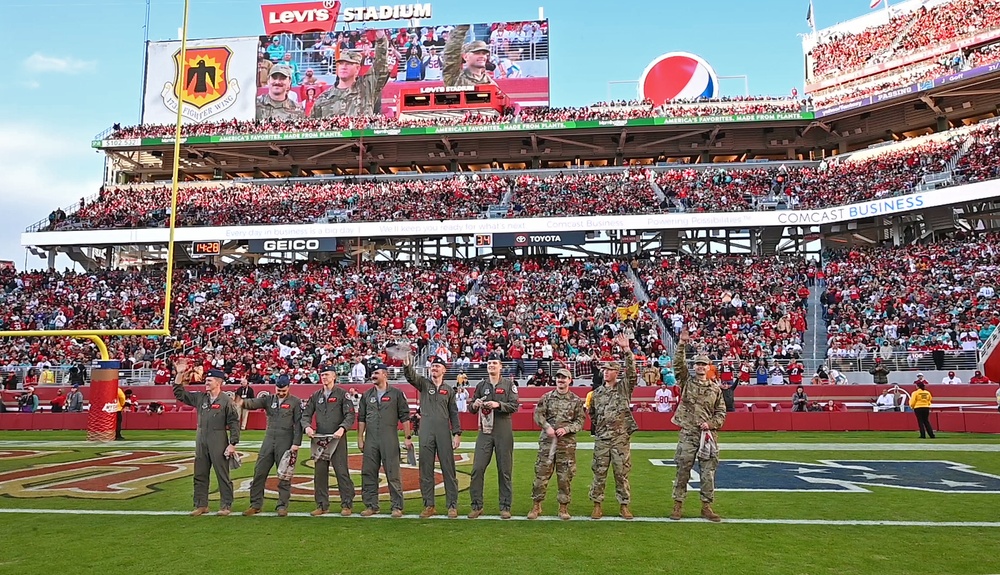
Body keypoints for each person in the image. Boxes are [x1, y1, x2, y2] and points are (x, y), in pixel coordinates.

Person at [670, 329, 727, 522]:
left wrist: (710, 424)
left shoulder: (715, 389)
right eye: (698, 364)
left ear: (709, 367)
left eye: (704, 364)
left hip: (707, 436)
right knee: (682, 470)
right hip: (688, 433)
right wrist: (681, 344)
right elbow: (678, 365)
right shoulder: (687, 381)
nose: (700, 367)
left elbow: (721, 413)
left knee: (708, 472)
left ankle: (706, 506)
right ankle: (678, 505)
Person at [172, 359, 240, 516]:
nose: (206, 383)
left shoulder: (226, 401)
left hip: (219, 439)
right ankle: (201, 504)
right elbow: (179, 393)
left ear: (218, 382)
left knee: (222, 475)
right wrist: (180, 374)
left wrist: (232, 444)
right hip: (201, 438)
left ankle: (226, 505)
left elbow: (234, 423)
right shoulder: (200, 398)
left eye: (209, 381)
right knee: (200, 474)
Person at [588, 333, 640, 520]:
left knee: (621, 472)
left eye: (610, 370)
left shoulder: (623, 388)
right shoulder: (597, 393)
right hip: (603, 438)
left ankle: (624, 505)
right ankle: (597, 504)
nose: (606, 372)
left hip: (620, 439)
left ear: (616, 373)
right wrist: (602, 429)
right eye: (604, 370)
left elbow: (632, 373)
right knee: (599, 472)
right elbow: (592, 414)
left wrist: (627, 350)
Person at [403, 354, 462, 518]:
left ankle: (452, 505)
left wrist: (456, 433)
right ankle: (429, 505)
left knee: (448, 470)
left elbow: (454, 413)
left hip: (443, 431)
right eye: (432, 366)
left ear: (443, 370)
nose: (434, 368)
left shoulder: (448, 390)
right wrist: (407, 365)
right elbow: (411, 377)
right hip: (426, 431)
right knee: (426, 470)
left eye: (437, 366)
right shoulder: (424, 384)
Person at [236, 376, 303, 517]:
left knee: (284, 475)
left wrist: (296, 443)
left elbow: (299, 424)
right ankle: (255, 504)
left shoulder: (295, 402)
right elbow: (254, 403)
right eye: (279, 390)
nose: (281, 392)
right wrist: (243, 403)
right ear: (275, 388)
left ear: (289, 388)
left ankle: (282, 506)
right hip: (269, 439)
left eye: (283, 390)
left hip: (286, 440)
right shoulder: (269, 399)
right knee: (259, 472)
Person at [528, 368, 586, 520]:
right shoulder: (546, 397)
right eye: (559, 377)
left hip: (566, 445)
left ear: (569, 380)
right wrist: (547, 427)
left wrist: (567, 429)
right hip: (547, 444)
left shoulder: (576, 400)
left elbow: (580, 421)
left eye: (564, 378)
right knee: (541, 475)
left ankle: (563, 507)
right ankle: (536, 505)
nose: (561, 380)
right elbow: (538, 414)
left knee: (564, 477)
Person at [467, 353, 519, 519]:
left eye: (495, 363)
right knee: (477, 469)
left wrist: (498, 404)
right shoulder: (481, 385)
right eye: (489, 363)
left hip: (503, 429)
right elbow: (471, 407)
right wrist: (474, 405)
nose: (491, 365)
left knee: (504, 470)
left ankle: (505, 506)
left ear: (500, 366)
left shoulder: (509, 384)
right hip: (485, 431)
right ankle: (476, 505)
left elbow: (514, 406)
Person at [301, 365, 356, 516]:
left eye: (326, 374)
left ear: (334, 377)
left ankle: (347, 504)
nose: (324, 377)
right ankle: (321, 504)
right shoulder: (315, 396)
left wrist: (342, 428)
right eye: (322, 374)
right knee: (319, 472)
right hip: (320, 439)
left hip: (337, 438)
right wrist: (307, 427)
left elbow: (350, 415)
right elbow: (305, 414)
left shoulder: (342, 395)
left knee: (341, 471)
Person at [358, 363, 411, 518]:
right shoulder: (367, 395)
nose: (373, 376)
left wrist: (407, 438)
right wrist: (360, 439)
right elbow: (361, 418)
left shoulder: (396, 394)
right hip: (371, 439)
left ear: (385, 374)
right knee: (368, 473)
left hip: (390, 438)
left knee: (393, 473)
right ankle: (371, 505)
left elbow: (405, 417)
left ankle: (397, 506)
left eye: (376, 373)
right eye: (372, 373)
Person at [310, 31, 390, 118]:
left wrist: (381, 38)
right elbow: (311, 127)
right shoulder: (323, 98)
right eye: (341, 63)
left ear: (357, 68)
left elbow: (380, 67)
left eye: (348, 64)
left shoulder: (366, 88)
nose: (343, 67)